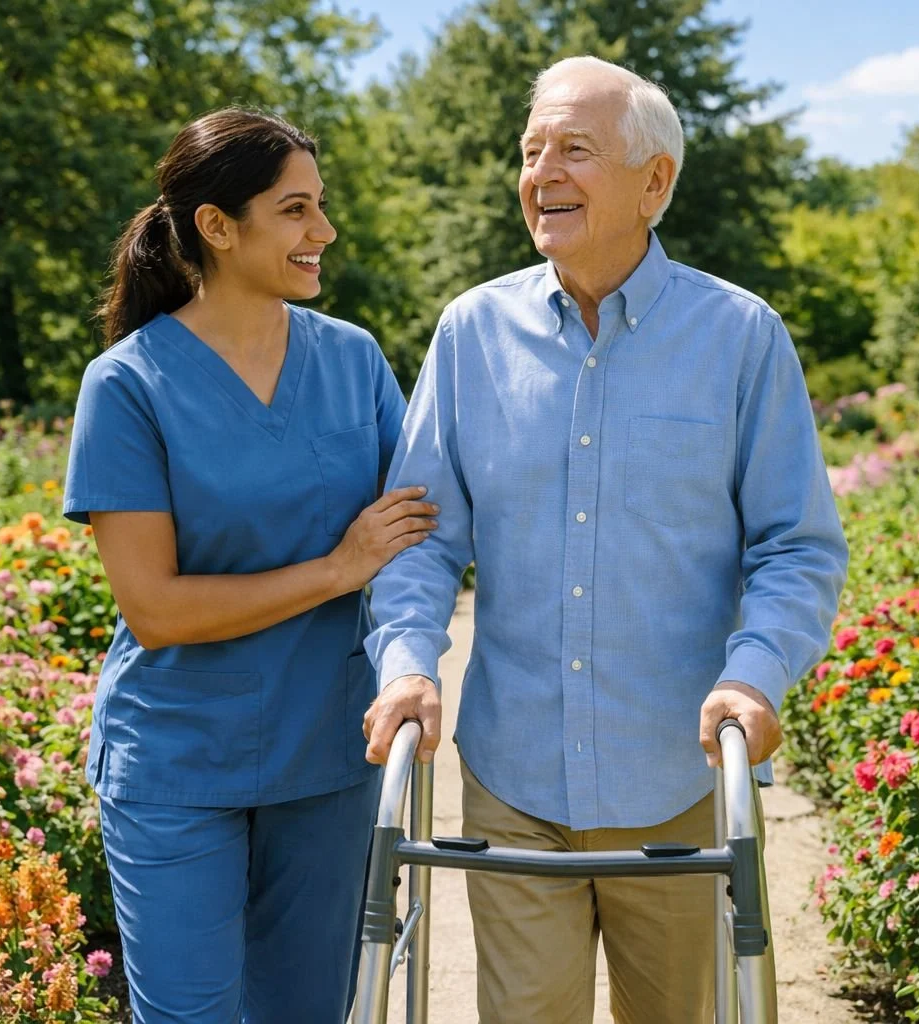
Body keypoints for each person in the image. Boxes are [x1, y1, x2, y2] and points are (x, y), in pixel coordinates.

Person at [361, 56, 849, 1023]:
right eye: (532, 149)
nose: (543, 171)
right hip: (514, 787)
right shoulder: (470, 333)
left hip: (680, 779)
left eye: (574, 150)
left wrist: (753, 675)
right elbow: (417, 538)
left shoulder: (740, 336)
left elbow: (796, 546)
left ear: (654, 182)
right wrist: (409, 662)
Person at [63, 107, 438, 1024]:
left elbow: (422, 529)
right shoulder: (128, 385)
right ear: (217, 227)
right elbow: (156, 610)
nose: (324, 232)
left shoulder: (351, 360)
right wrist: (335, 568)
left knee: (310, 1013)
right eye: (296, 210)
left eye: (321, 205)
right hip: (179, 763)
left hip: (328, 756)